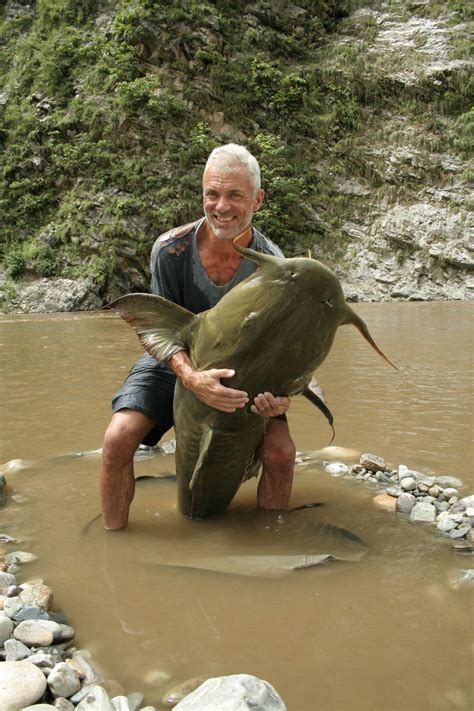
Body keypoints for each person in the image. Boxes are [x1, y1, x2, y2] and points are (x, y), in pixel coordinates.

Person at [100, 143, 296, 530]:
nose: (221, 206)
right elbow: (158, 330)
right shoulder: (170, 250)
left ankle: (271, 547)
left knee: (281, 453)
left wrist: (282, 393)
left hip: (241, 367)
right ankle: (112, 543)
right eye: (212, 194)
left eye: (234, 195)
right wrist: (190, 378)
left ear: (257, 199)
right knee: (117, 439)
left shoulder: (276, 265)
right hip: (176, 357)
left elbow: (282, 344)